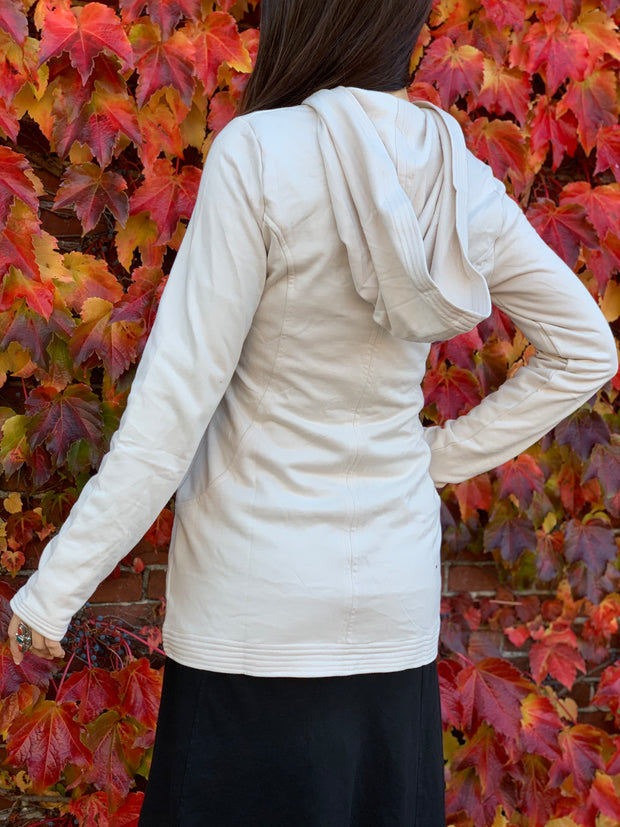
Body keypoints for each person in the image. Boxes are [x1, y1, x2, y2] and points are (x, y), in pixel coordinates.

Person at [7, 0, 618, 823]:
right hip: (390, 608)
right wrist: (432, 458)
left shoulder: (260, 153)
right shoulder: (456, 174)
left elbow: (171, 410)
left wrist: (54, 590)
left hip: (252, 612)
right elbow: (586, 348)